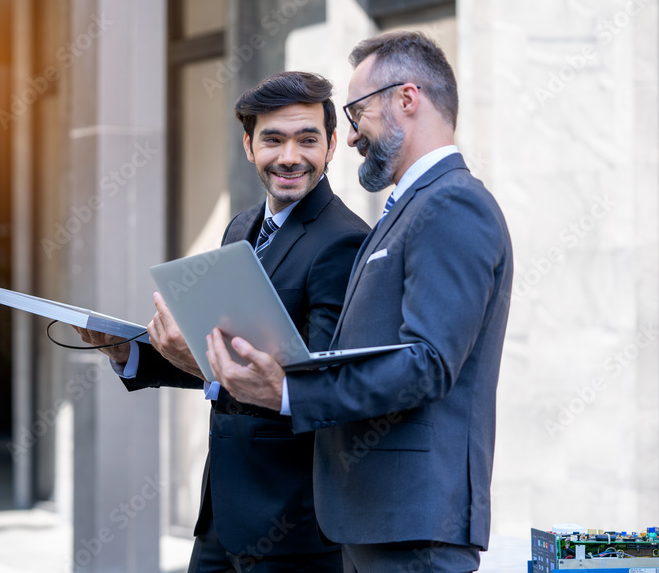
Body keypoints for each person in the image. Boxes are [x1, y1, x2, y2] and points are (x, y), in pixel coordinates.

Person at [205, 31, 514, 573]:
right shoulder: (410, 208)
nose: (350, 139)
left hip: (413, 526)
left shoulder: (453, 204)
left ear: (406, 99)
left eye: (357, 113)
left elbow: (429, 362)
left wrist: (290, 393)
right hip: (376, 520)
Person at [75, 70, 369, 573]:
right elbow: (212, 347)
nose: (290, 157)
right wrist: (133, 354)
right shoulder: (241, 228)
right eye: (272, 140)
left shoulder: (343, 240)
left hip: (294, 524)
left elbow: (312, 385)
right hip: (222, 515)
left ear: (333, 144)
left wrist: (208, 364)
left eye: (307, 139)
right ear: (249, 146)